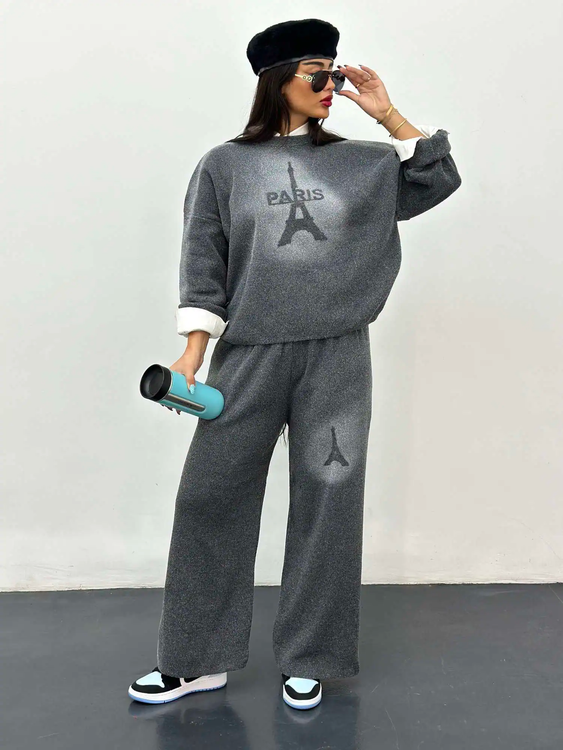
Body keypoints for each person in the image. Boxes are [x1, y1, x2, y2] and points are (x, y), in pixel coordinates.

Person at [127, 17, 462, 711]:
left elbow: (437, 179)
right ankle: (195, 659)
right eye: (318, 72)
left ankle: (310, 655)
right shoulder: (224, 165)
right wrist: (193, 353)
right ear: (278, 78)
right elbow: (203, 263)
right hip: (248, 356)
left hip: (337, 353)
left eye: (335, 72)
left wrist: (388, 113)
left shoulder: (365, 164)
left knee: (327, 502)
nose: (331, 84)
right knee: (209, 497)